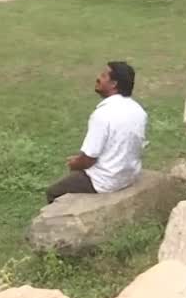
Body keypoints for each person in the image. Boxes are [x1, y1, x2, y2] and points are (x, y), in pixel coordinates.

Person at [45, 62, 148, 203]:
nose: (98, 78)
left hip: (106, 180)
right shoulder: (138, 111)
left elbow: (88, 160)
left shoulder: (103, 115)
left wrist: (75, 164)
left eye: (103, 75)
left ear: (113, 84)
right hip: (129, 175)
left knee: (53, 192)